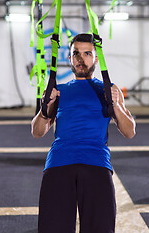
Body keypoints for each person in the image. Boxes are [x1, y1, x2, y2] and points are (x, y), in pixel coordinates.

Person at [31, 33, 136, 232]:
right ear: (69, 58)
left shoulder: (109, 89)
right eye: (76, 54)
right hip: (59, 164)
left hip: (96, 164)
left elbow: (129, 131)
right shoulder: (58, 90)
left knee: (100, 228)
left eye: (87, 53)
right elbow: (37, 132)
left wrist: (116, 104)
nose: (81, 59)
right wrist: (46, 108)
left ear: (96, 58)